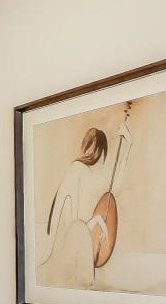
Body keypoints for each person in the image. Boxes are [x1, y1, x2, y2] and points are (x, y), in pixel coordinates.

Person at [37, 102, 132, 287]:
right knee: (84, 277)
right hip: (71, 240)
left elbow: (115, 189)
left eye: (96, 148)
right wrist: (96, 223)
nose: (93, 153)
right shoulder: (77, 168)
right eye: (91, 147)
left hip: (83, 235)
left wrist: (128, 144)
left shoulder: (96, 175)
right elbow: (73, 222)